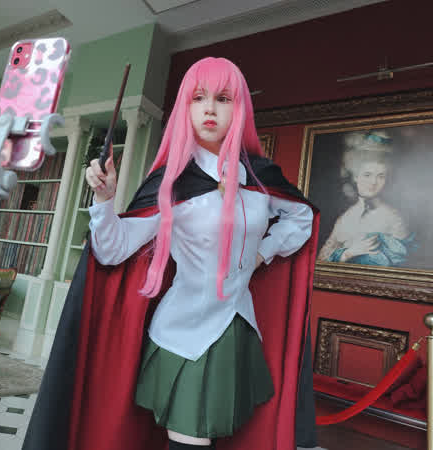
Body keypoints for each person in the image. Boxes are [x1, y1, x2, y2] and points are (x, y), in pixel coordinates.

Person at [23, 57, 320, 450]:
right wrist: (104, 200)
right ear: (185, 107)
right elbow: (112, 251)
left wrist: (262, 254)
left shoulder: (261, 179)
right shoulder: (173, 183)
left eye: (223, 98)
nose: (210, 108)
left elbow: (302, 218)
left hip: (237, 326)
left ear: (240, 108)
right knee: (189, 440)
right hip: (183, 330)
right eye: (198, 98)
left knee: (225, 438)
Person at [318, 131, 415, 267]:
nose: (373, 182)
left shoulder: (394, 218)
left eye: (381, 176)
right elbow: (321, 260)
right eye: (367, 175)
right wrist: (348, 253)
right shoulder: (345, 218)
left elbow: (404, 266)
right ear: (356, 177)